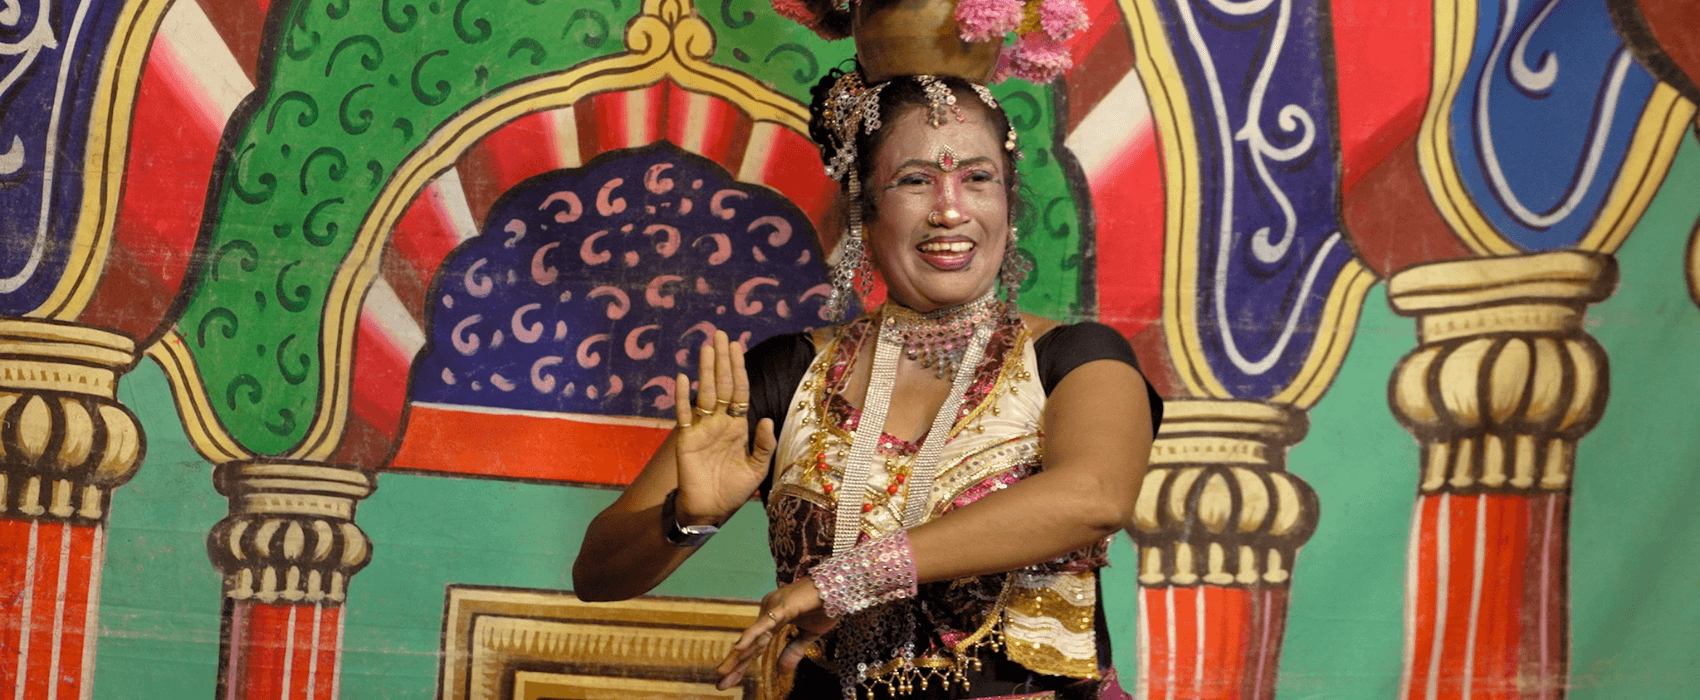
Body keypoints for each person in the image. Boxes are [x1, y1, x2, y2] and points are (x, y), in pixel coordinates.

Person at [572, 66, 1161, 699]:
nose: (951, 210)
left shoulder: (1076, 359)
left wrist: (849, 578)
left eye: (977, 178)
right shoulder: (788, 372)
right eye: (916, 181)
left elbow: (1094, 496)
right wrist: (687, 517)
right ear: (864, 207)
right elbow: (598, 574)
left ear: (1008, 202)